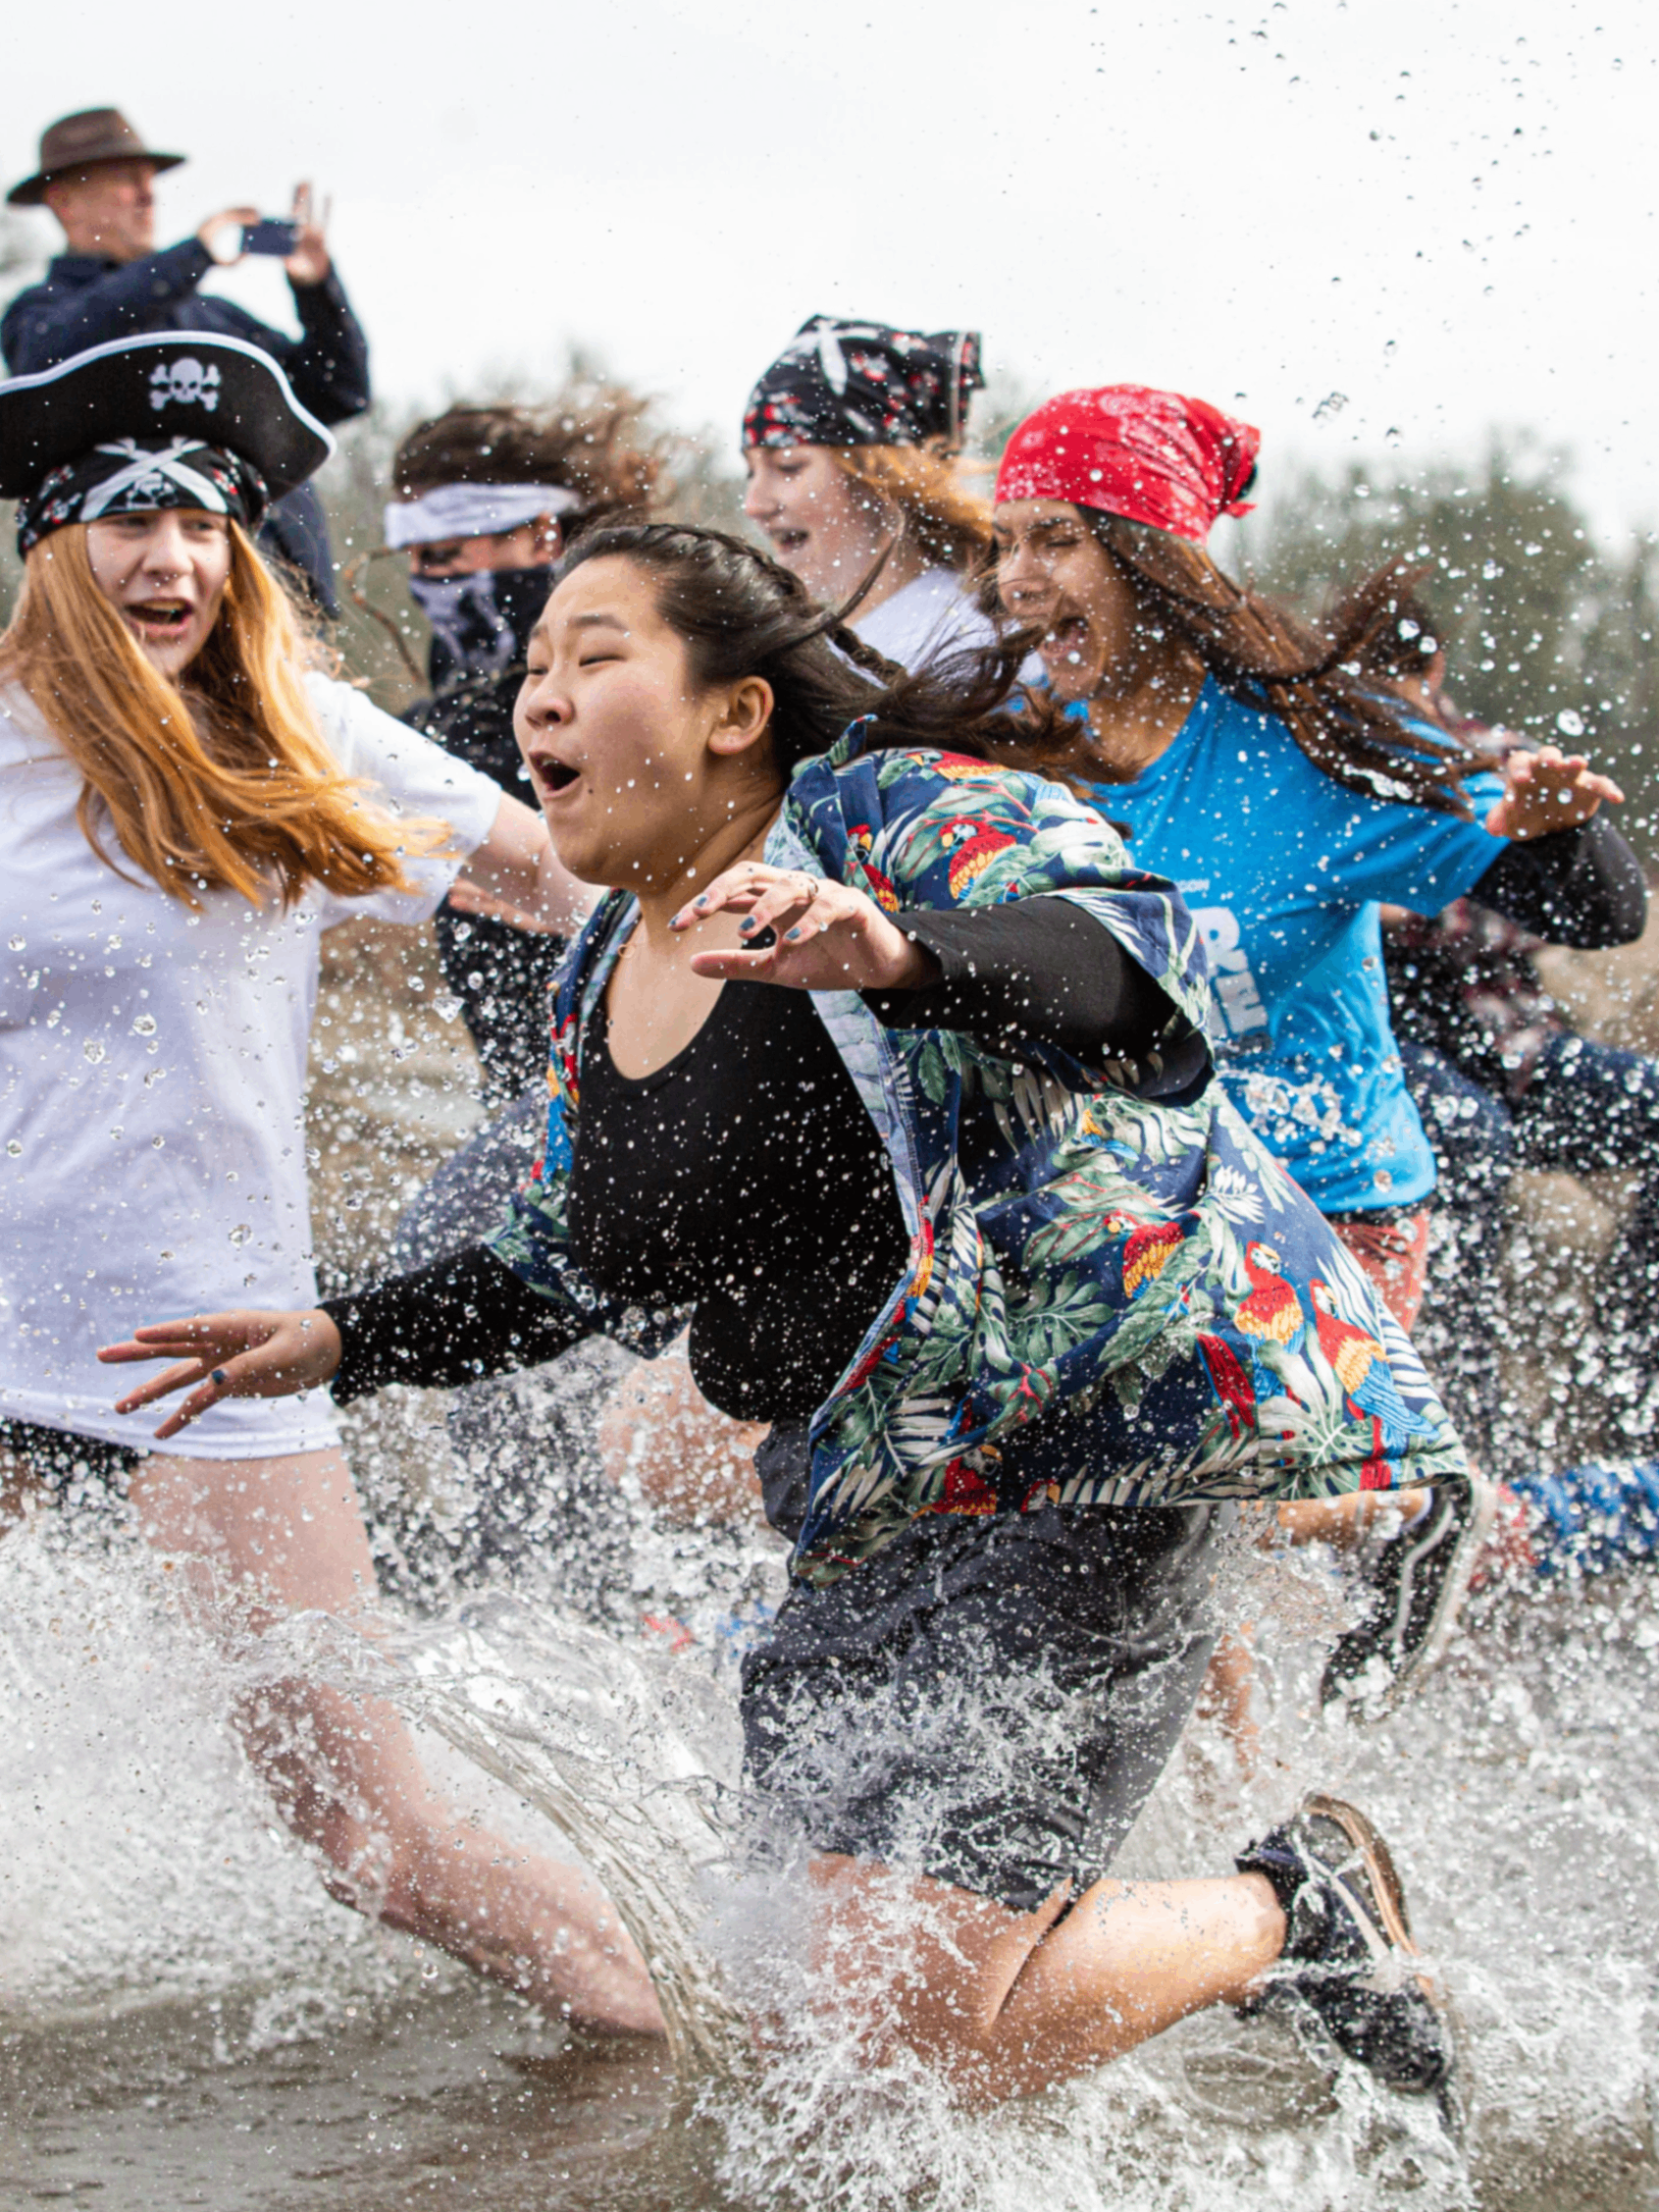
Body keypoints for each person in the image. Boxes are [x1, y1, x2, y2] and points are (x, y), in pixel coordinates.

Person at [105, 519, 1477, 2112]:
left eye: (594, 656)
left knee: (890, 2034)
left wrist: (905, 951)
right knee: (807, 2037)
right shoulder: (604, 961)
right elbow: (559, 1265)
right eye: (533, 668)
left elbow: (1129, 967)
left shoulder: (889, 817)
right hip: (851, 1505)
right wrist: (344, 1339)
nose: (539, 700)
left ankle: (1288, 1914)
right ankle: (1267, 1934)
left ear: (733, 712)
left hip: (1070, 1456)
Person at [0, 331, 658, 2037]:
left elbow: (562, 889)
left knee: (372, 1844)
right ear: (47, 544)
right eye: (125, 520)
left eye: (208, 524)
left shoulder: (293, 736)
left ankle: (680, 2032)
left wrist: (815, 950)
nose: (171, 559)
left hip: (215, 1358)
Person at [991, 386, 1647, 1704]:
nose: (1015, 582)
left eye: (1054, 540)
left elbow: (1600, 910)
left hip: (1325, 1218)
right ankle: (1241, 1832)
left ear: (1153, 552)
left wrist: (1554, 830)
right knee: (1171, 1585)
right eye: (1002, 546)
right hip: (1134, 1207)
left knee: (1180, 1510)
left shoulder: (1306, 749)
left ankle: (1404, 1499)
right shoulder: (1017, 751)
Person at [1373, 605, 1659, 1462]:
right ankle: (1464, 1425)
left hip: (1512, 1040)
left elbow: (1574, 911)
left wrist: (1453, 886)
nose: (1387, 699)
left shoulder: (1500, 760)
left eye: (1400, 677)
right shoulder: (1329, 770)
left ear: (1434, 674)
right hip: (1391, 1053)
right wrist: (1462, 887)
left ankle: (1638, 1381)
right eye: (1365, 682)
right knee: (1471, 1140)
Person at [377, 392, 668, 1262]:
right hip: (529, 1086)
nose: (434, 588)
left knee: (434, 1256)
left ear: (541, 536)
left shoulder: (633, 674)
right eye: (417, 562)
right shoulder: (448, 709)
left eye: (448, 555)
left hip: (640, 1081)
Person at [0, 106, 370, 613]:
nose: (148, 195)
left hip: (283, 600)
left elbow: (337, 392)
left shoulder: (214, 318)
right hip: (152, 604)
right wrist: (192, 256)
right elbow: (50, 359)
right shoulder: (40, 315)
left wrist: (317, 289)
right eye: (127, 181)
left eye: (150, 180)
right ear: (63, 200)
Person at [742, 314, 996, 667]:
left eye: (788, 466)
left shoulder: (961, 649)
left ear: (881, 478)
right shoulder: (829, 645)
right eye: (749, 471)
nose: (753, 504)